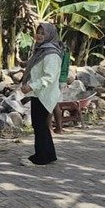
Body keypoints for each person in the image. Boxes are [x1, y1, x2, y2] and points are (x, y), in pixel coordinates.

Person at [21, 22, 63, 165]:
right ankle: (48, 154)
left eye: (43, 33)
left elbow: (49, 77)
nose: (39, 35)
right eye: (38, 32)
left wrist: (31, 86)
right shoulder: (41, 51)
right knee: (40, 125)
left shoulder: (51, 54)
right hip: (38, 94)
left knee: (40, 125)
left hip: (44, 94)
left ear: (49, 35)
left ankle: (42, 156)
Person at [51, 46, 71, 133]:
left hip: (56, 80)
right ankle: (59, 128)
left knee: (52, 105)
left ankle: (51, 128)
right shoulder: (67, 53)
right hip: (63, 80)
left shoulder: (57, 54)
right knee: (56, 105)